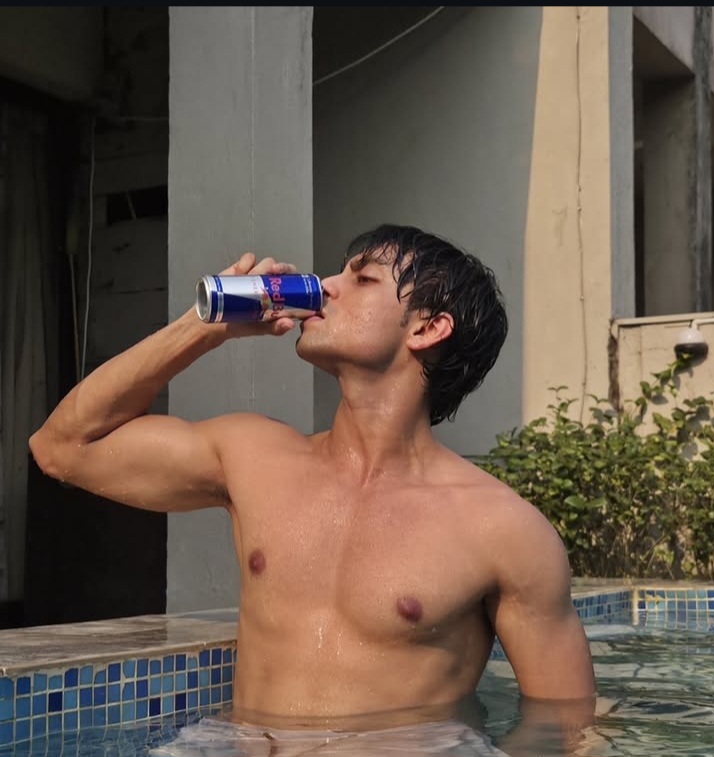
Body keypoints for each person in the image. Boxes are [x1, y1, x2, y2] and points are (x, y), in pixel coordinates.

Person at [29, 224, 596, 756]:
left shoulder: (504, 530)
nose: (326, 285)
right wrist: (201, 328)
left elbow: (565, 726)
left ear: (427, 328)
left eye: (362, 278)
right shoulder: (254, 457)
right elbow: (61, 448)